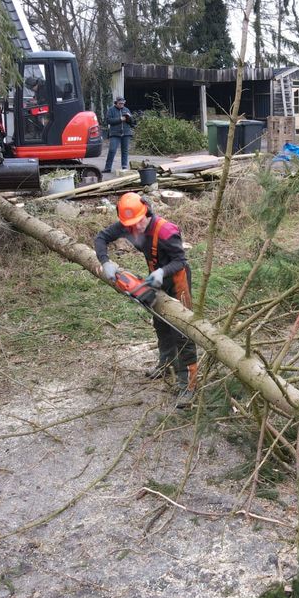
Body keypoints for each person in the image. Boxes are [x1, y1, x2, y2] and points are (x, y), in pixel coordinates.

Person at [95, 192, 198, 407]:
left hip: (176, 280)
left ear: (146, 212)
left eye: (138, 223)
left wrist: (162, 272)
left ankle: (188, 384)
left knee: (182, 330)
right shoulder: (127, 225)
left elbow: (180, 260)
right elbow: (101, 237)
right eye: (129, 225)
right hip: (155, 278)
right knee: (160, 323)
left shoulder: (166, 231)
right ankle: (167, 362)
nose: (134, 229)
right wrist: (105, 262)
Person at [103, 96, 135, 173]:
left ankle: (124, 167)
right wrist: (120, 119)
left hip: (126, 133)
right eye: (120, 103)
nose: (122, 105)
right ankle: (108, 168)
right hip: (115, 133)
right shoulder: (111, 110)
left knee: (125, 151)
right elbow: (108, 121)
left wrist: (129, 118)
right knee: (112, 150)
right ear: (116, 103)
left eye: (123, 103)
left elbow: (132, 122)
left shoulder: (126, 110)